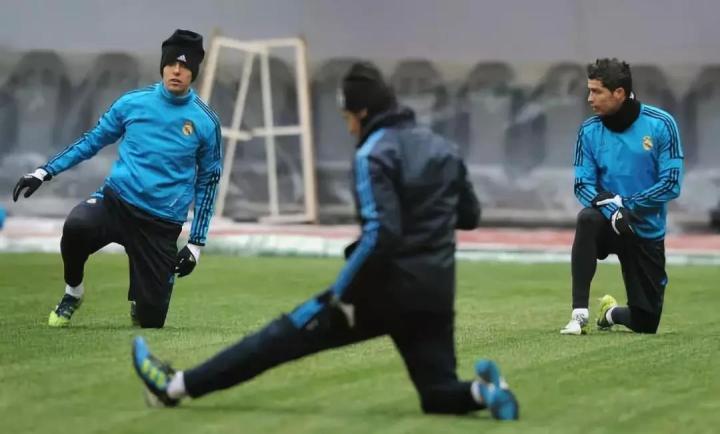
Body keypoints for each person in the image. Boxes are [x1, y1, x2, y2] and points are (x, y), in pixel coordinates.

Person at [131, 62, 519, 420]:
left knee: (279, 337)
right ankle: (485, 392)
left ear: (362, 113)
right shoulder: (443, 148)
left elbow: (381, 235)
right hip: (435, 291)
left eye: (347, 117)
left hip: (383, 291)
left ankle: (173, 386)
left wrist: (340, 295)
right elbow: (469, 216)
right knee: (437, 392)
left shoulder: (373, 153)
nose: (348, 128)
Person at [11, 29, 222, 328]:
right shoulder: (132, 103)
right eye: (171, 63)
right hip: (116, 204)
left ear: (194, 72)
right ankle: (73, 292)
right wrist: (44, 172)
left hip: (161, 224)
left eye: (185, 66)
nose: (177, 71)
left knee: (150, 321)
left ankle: (142, 296)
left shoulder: (206, 122)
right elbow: (91, 141)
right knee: (76, 226)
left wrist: (196, 243)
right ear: (162, 66)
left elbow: (208, 182)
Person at [561, 58, 683, 335]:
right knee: (587, 219)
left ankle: (610, 312)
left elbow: (671, 184)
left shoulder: (662, 124)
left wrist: (626, 205)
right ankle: (579, 314)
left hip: (644, 228)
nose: (589, 98)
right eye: (589, 90)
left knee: (646, 323)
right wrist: (612, 211)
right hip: (607, 222)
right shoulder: (589, 130)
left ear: (618, 93)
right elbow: (582, 185)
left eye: (596, 91)